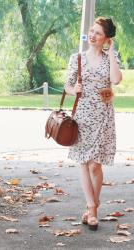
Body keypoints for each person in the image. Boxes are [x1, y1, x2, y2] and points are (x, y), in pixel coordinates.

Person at [64, 17, 122, 230]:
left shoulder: (109, 59)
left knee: (95, 165)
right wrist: (74, 90)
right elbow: (67, 86)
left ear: (106, 38)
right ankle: (93, 208)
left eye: (98, 32)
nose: (93, 35)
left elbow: (116, 80)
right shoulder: (77, 58)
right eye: (92, 31)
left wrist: (113, 52)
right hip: (82, 116)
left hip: (103, 115)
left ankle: (91, 209)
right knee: (84, 163)